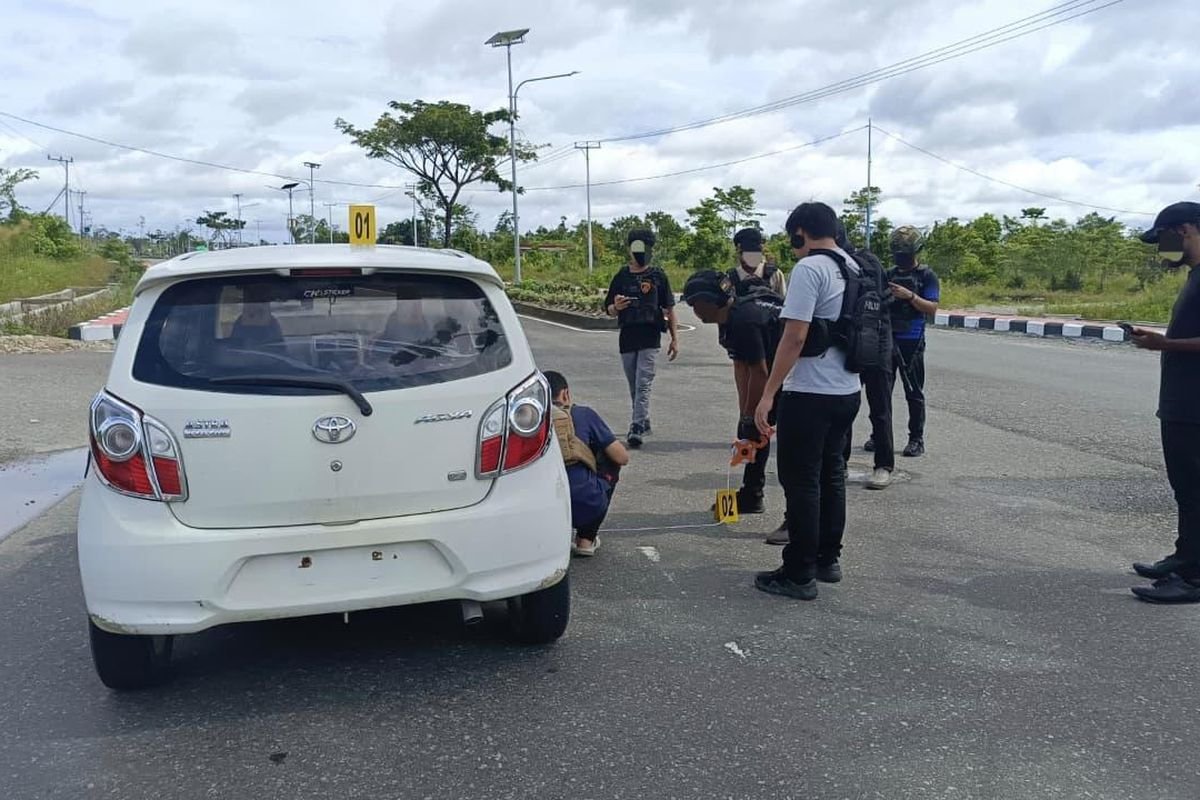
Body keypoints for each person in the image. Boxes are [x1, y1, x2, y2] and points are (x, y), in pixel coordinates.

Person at [753, 202, 864, 600]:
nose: (792, 245)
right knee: (832, 475)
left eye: (792, 237)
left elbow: (795, 336)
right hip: (848, 391)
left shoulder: (810, 268)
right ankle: (826, 559)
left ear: (800, 231)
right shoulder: (852, 267)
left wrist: (768, 394)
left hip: (811, 393)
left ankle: (798, 572)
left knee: (801, 482)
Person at [1129, 201, 1200, 603]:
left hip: (1195, 406)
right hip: (1181, 403)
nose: (1162, 248)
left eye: (1164, 239)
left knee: (1196, 489)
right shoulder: (1195, 276)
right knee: (1186, 489)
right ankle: (1184, 557)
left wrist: (1164, 343)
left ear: (1187, 230)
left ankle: (1193, 578)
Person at [682, 265, 785, 531]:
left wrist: (753, 413)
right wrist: (745, 414)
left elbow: (760, 372)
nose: (694, 311)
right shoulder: (727, 319)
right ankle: (751, 495)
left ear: (710, 302)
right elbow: (741, 365)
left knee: (790, 450)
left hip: (797, 376)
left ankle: (796, 517)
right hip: (774, 372)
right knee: (753, 433)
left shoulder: (746, 320)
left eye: (696, 304)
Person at [604, 229, 679, 448]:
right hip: (627, 336)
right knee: (634, 384)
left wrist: (675, 339)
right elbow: (608, 308)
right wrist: (615, 307)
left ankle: (636, 427)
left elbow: (670, 309)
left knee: (644, 382)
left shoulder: (658, 276)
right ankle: (643, 419)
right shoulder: (621, 276)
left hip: (650, 335)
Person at [834, 222, 895, 490]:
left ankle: (883, 465)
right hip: (860, 342)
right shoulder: (838, 263)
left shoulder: (861, 263)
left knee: (877, 407)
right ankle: (843, 463)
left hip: (874, 341)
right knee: (850, 406)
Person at [545, 370, 630, 558]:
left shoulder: (530, 421)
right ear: (565, 393)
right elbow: (622, 457)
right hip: (585, 503)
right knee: (611, 459)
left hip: (542, 508)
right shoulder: (583, 414)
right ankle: (586, 539)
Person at [876, 225, 940, 459]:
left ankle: (916, 439)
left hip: (912, 339)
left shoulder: (926, 275)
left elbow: (932, 308)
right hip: (887, 337)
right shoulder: (888, 273)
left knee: (913, 391)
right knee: (882, 391)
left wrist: (910, 296)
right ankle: (880, 435)